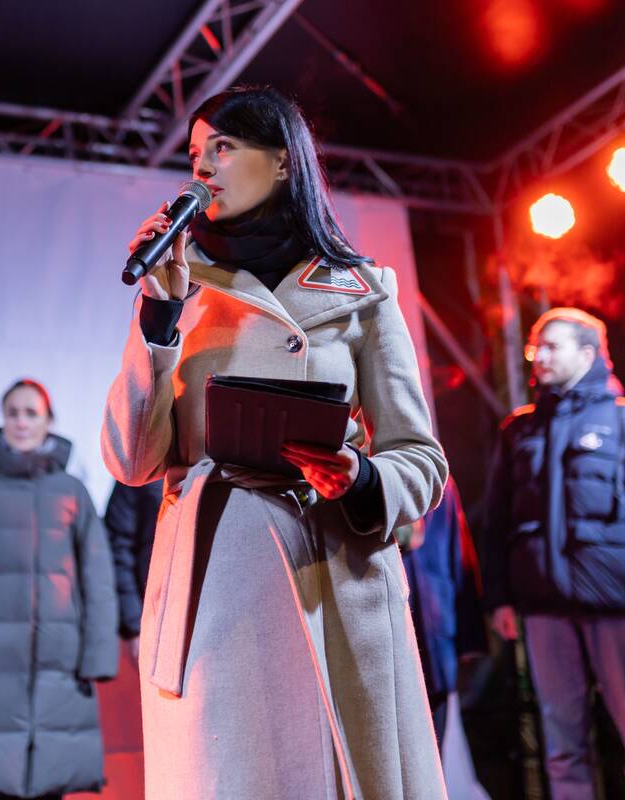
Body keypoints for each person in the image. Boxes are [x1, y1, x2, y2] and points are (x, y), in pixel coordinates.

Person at [102, 85, 448, 799]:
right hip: (215, 581)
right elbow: (132, 459)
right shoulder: (180, 284)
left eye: (223, 148)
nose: (203, 167)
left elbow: (421, 458)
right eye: (195, 153)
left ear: (285, 162)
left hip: (332, 571)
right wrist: (159, 322)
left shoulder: (365, 293)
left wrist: (358, 477)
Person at [482, 307, 625, 800]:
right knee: (562, 748)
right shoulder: (519, 430)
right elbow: (497, 524)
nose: (540, 356)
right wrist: (501, 600)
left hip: (617, 612)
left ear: (588, 353)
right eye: (536, 347)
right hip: (545, 615)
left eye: (553, 346)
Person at [0, 379, 119, 800]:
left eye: (31, 413)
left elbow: (97, 580)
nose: (21, 421)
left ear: (48, 421)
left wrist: (98, 655)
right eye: (13, 412)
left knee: (51, 777)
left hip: (59, 660)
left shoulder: (72, 492)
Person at [398, 477, 486, 745]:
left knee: (435, 745)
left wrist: (470, 639)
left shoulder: (438, 476)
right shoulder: (359, 467)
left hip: (435, 634)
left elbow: (459, 556)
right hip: (395, 631)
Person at [103, 478, 164, 658]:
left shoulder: (224, 465)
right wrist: (133, 625)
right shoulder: (141, 471)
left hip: (211, 618)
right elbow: (118, 548)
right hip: (153, 617)